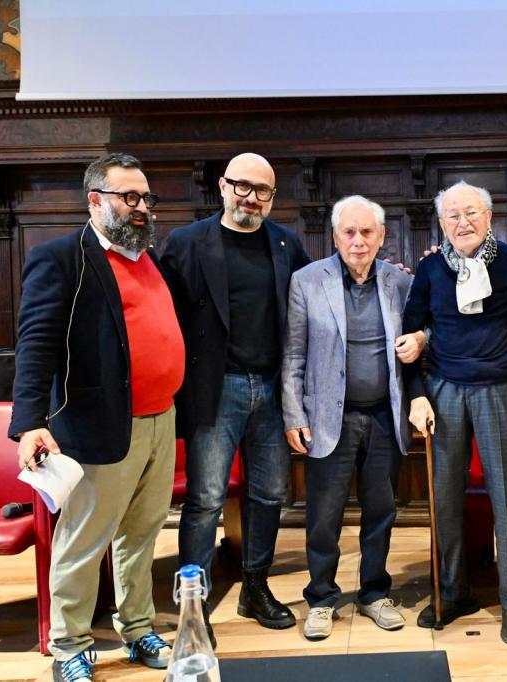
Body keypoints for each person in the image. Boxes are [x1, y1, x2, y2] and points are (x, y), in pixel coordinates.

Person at [10, 152, 183, 682]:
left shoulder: (148, 257)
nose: (141, 207)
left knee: (142, 535)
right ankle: (69, 646)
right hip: (98, 422)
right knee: (85, 542)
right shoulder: (62, 258)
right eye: (128, 197)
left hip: (160, 419)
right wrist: (30, 421)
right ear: (94, 200)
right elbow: (35, 343)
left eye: (146, 197)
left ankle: (137, 628)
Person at [161, 153, 310, 643]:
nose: (250, 197)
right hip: (214, 388)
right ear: (223, 186)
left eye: (262, 190)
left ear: (273, 197)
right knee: (205, 499)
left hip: (271, 387)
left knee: (270, 494)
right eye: (242, 186)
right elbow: (163, 316)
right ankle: (194, 602)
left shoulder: (286, 244)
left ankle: (255, 588)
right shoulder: (185, 243)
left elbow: (313, 300)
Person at [403, 181, 507, 645]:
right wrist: (417, 394)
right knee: (445, 501)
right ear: (441, 223)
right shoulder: (431, 268)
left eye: (470, 213)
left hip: (503, 389)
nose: (462, 222)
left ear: (488, 217)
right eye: (452, 215)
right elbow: (409, 334)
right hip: (445, 390)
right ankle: (453, 591)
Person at [282, 195, 423, 641]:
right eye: (349, 232)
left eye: (367, 232)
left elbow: (426, 330)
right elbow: (293, 354)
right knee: (324, 516)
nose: (358, 240)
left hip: (384, 415)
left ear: (382, 237)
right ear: (335, 236)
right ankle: (321, 598)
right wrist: (293, 413)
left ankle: (374, 593)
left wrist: (421, 339)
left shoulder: (401, 282)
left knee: (381, 511)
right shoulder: (307, 281)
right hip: (329, 418)